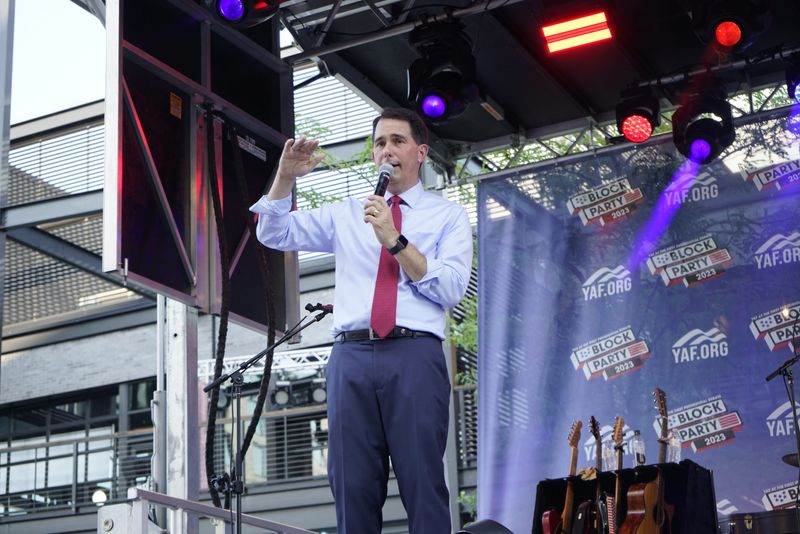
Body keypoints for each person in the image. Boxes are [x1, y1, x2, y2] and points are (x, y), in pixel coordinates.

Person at [250, 107, 473, 533]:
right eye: (379, 142)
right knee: (352, 486)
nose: (386, 150)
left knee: (423, 483)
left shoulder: (448, 216)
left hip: (415, 353)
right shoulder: (348, 212)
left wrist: (394, 239)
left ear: (421, 152)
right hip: (351, 354)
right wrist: (285, 178)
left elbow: (450, 289)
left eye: (397, 141)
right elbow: (272, 233)